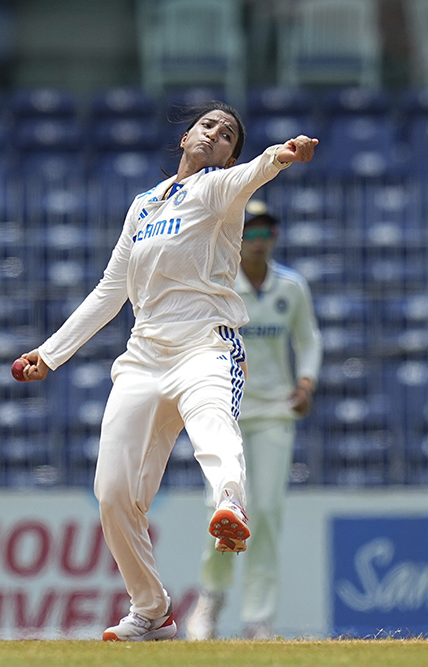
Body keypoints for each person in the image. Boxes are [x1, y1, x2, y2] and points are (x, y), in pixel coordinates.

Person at [13, 101, 318, 641]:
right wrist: (52, 352)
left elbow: (255, 172)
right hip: (144, 357)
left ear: (228, 156)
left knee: (212, 423)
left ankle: (229, 503)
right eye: (208, 126)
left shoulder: (220, 189)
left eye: (227, 136)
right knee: (112, 492)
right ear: (185, 137)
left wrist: (281, 156)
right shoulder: (144, 205)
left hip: (207, 344)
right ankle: (152, 611)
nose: (215, 136)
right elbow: (112, 290)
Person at [185, 200, 322, 641]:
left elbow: (309, 339)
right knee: (224, 511)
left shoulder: (291, 287)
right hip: (226, 412)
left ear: (275, 237)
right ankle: (211, 600)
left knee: (265, 512)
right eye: (250, 231)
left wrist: (306, 383)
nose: (258, 240)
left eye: (265, 231)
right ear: (237, 237)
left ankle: (258, 618)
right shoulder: (221, 286)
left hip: (275, 413)